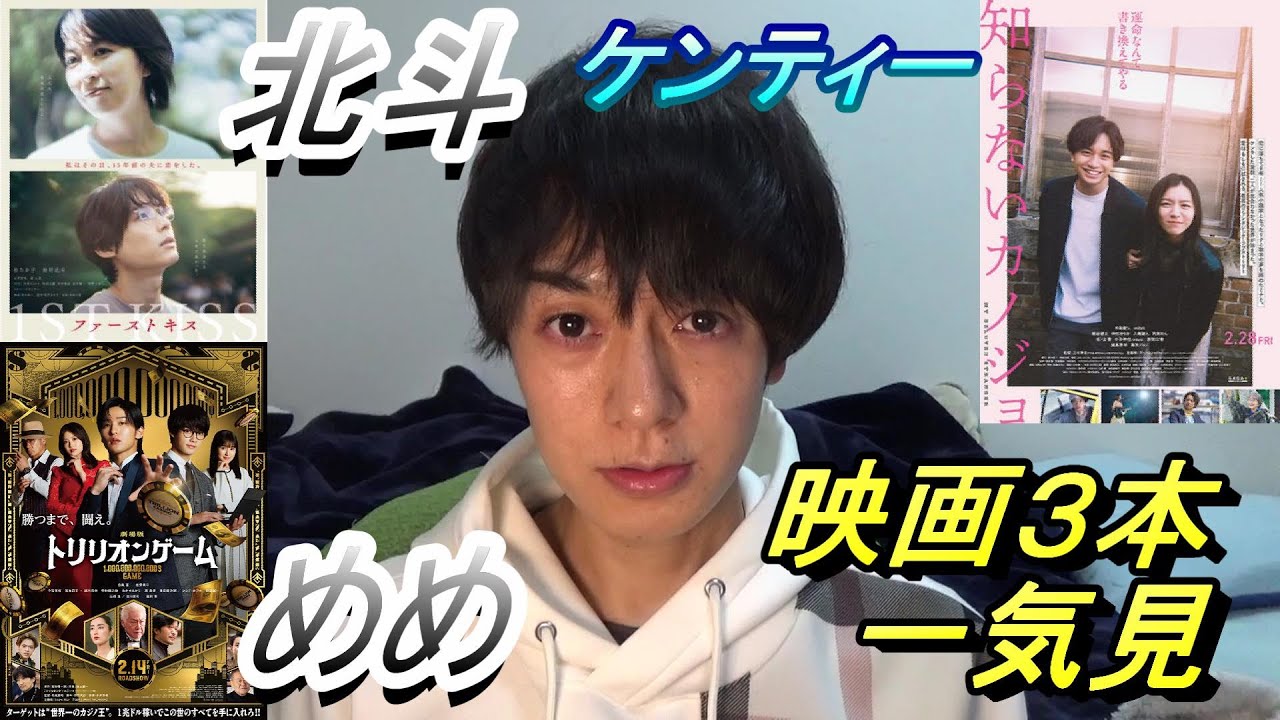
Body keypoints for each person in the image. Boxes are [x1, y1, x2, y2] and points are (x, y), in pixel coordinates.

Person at [272, 25, 1027, 720]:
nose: (641, 406)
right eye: (573, 325)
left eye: (702, 320)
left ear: (777, 343)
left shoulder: (936, 660)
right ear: (511, 338)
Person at [1037, 115, 1146, 385]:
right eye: (1086, 152)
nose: (1094, 163)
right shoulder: (1054, 194)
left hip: (1106, 322)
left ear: (1114, 160)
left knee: (1100, 393)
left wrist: (1131, 259)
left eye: (1104, 155)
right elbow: (1046, 251)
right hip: (1061, 315)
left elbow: (1146, 256)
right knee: (1054, 390)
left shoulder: (1131, 207)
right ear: (1072, 154)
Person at [28, 9, 219, 160]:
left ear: (145, 62)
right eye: (73, 60)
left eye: (102, 51)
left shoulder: (201, 156)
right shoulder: (46, 161)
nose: (87, 74)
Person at [74, 397, 183, 613]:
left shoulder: (160, 470)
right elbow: (81, 541)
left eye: (122, 423)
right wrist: (94, 493)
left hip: (152, 596)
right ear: (101, 435)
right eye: (106, 424)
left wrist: (153, 496)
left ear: (139, 431)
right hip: (108, 598)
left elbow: (164, 535)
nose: (113, 430)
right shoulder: (98, 479)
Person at [1134, 174, 1224, 387]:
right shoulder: (1148, 246)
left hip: (1185, 346)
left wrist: (1173, 360)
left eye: (1185, 205)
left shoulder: (1209, 265)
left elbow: (1197, 324)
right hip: (1150, 338)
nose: (1175, 213)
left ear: (1195, 211)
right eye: (1166, 204)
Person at [164, 404, 242, 645]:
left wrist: (226, 531)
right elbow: (145, 522)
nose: (193, 438)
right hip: (171, 575)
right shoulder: (156, 470)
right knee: (169, 646)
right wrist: (193, 518)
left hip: (205, 575)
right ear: (173, 432)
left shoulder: (204, 479)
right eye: (187, 431)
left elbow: (209, 531)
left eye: (199, 433)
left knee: (200, 645)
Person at [71, 176, 194, 315]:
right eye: (143, 215)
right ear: (106, 247)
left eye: (162, 212)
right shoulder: (88, 318)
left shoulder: (185, 317)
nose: (165, 223)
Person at [45, 422, 112, 639]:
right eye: (65, 442)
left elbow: (96, 500)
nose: (71, 445)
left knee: (83, 589)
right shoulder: (58, 471)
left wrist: (83, 474)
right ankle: (61, 638)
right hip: (60, 536)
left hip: (85, 537)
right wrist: (76, 510)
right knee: (61, 588)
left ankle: (87, 639)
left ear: (83, 439)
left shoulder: (101, 466)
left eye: (74, 439)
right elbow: (51, 506)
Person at [13, 419, 62, 607]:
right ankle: (33, 618)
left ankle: (46, 617)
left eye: (32, 440)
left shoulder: (56, 462)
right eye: (25, 441)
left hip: (46, 530)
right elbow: (15, 501)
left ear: (43, 441)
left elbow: (52, 493)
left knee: (44, 580)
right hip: (25, 529)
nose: (28, 445)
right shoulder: (23, 464)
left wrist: (27, 471)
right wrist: (19, 491)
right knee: (26, 579)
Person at [209, 430, 252, 587]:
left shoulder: (243, 474)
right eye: (223, 448)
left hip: (240, 527)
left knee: (238, 574)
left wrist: (225, 506)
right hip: (218, 529)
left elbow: (250, 501)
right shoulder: (206, 475)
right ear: (215, 448)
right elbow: (212, 504)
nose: (228, 453)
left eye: (232, 448)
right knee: (219, 572)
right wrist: (219, 473)